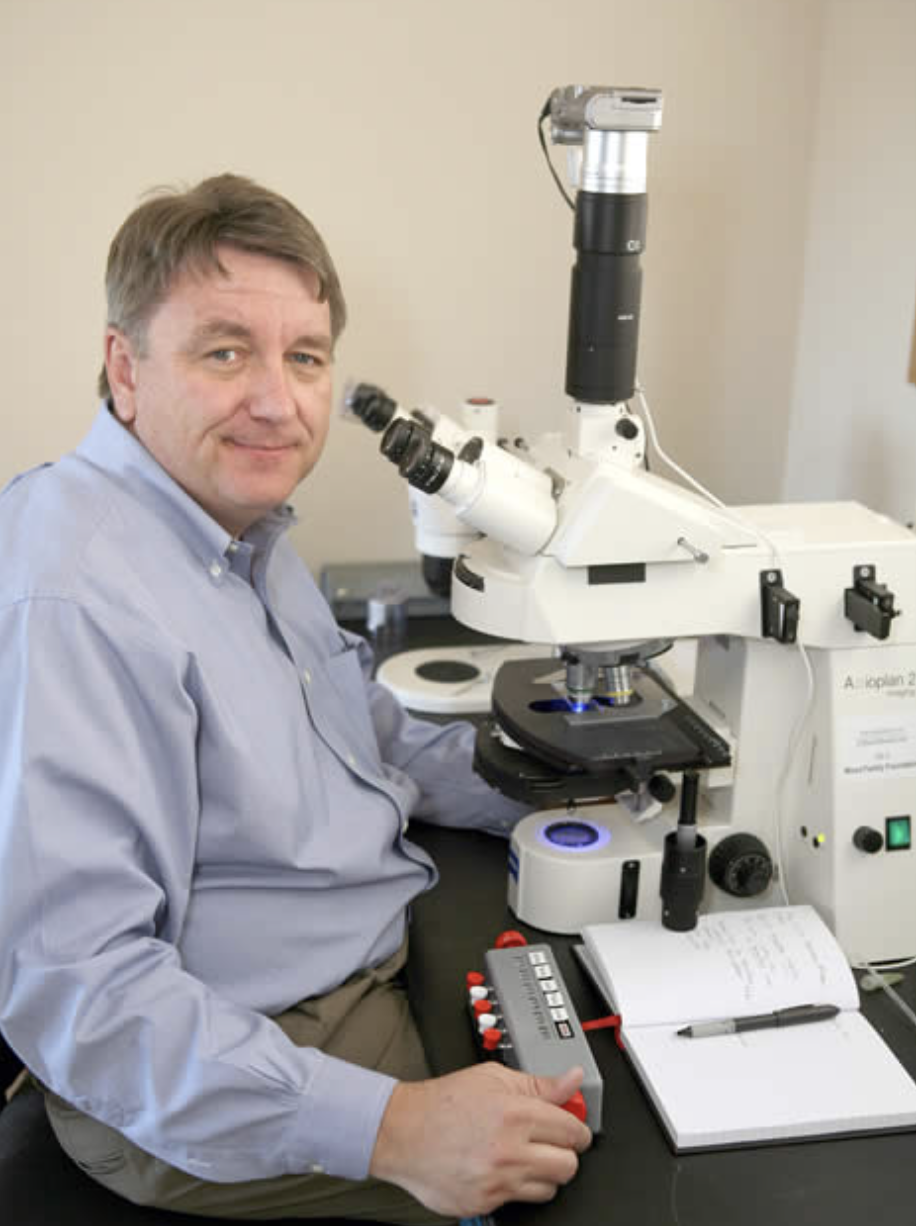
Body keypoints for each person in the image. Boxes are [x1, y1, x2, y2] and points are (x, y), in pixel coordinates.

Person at [0, 174, 591, 1224]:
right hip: (230, 1072)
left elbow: (356, 724)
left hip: (348, 978)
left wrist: (562, 798)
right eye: (225, 350)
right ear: (124, 368)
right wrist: (400, 1129)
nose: (278, 399)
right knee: (603, 1183)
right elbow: (84, 995)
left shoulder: (231, 521)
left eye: (305, 357)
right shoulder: (75, 594)